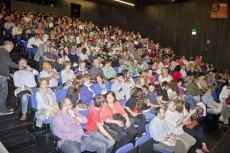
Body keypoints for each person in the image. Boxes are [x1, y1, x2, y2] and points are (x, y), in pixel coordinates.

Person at [0, 41, 18, 115]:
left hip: (2, 74)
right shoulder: (4, 52)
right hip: (1, 76)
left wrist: (7, 74)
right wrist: (19, 66)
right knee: (3, 94)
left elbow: (2, 64)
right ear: (8, 45)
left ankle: (2, 108)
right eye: (11, 48)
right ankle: (3, 111)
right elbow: (9, 63)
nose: (11, 50)